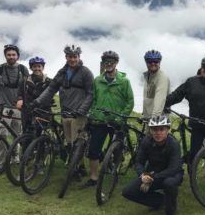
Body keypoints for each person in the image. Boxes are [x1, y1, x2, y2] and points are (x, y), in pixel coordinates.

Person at [34, 45, 94, 173]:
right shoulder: (62, 72)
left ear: (79, 57)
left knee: (76, 142)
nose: (72, 59)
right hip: (65, 112)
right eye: (70, 57)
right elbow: (51, 89)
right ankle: (79, 166)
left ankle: (75, 169)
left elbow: (91, 94)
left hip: (78, 114)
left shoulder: (86, 72)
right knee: (70, 142)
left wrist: (82, 110)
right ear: (66, 57)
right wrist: (37, 102)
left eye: (75, 57)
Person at [84, 51, 134, 188]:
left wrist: (120, 117)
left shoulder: (124, 81)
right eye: (106, 62)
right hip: (100, 120)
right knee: (94, 150)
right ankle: (93, 178)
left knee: (117, 149)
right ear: (103, 64)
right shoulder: (97, 80)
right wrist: (92, 114)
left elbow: (130, 102)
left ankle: (114, 172)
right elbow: (94, 100)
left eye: (112, 62)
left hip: (117, 121)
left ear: (116, 63)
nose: (109, 64)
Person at [165, 56, 205, 177]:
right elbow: (177, 95)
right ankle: (193, 175)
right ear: (201, 67)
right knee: (195, 150)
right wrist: (164, 103)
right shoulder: (191, 82)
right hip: (196, 122)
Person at [122, 115, 183, 215]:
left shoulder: (174, 144)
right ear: (150, 130)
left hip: (172, 173)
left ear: (168, 130)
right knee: (127, 191)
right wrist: (143, 175)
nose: (158, 132)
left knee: (169, 183)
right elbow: (139, 162)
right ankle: (161, 201)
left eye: (161, 129)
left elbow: (174, 168)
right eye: (154, 129)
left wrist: (152, 178)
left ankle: (171, 211)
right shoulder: (146, 141)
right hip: (153, 173)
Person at [0, 44, 29, 175]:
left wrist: (23, 99)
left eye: (14, 55)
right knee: (0, 135)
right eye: (9, 55)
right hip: (3, 107)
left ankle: (15, 158)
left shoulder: (23, 69)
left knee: (17, 134)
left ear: (18, 56)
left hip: (19, 108)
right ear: (5, 56)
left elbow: (27, 86)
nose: (11, 57)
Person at [16, 56, 51, 133]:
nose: (37, 68)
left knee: (41, 134)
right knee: (27, 133)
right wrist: (19, 99)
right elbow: (19, 92)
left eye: (39, 66)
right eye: (34, 66)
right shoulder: (25, 80)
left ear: (43, 67)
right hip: (27, 110)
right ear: (31, 68)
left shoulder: (48, 81)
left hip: (42, 111)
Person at [142, 49, 170, 118]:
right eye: (150, 61)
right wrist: (144, 115)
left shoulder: (162, 78)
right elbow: (149, 99)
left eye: (156, 61)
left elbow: (160, 100)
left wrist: (154, 118)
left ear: (159, 62)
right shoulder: (148, 76)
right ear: (146, 62)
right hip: (149, 117)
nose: (153, 63)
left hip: (158, 121)